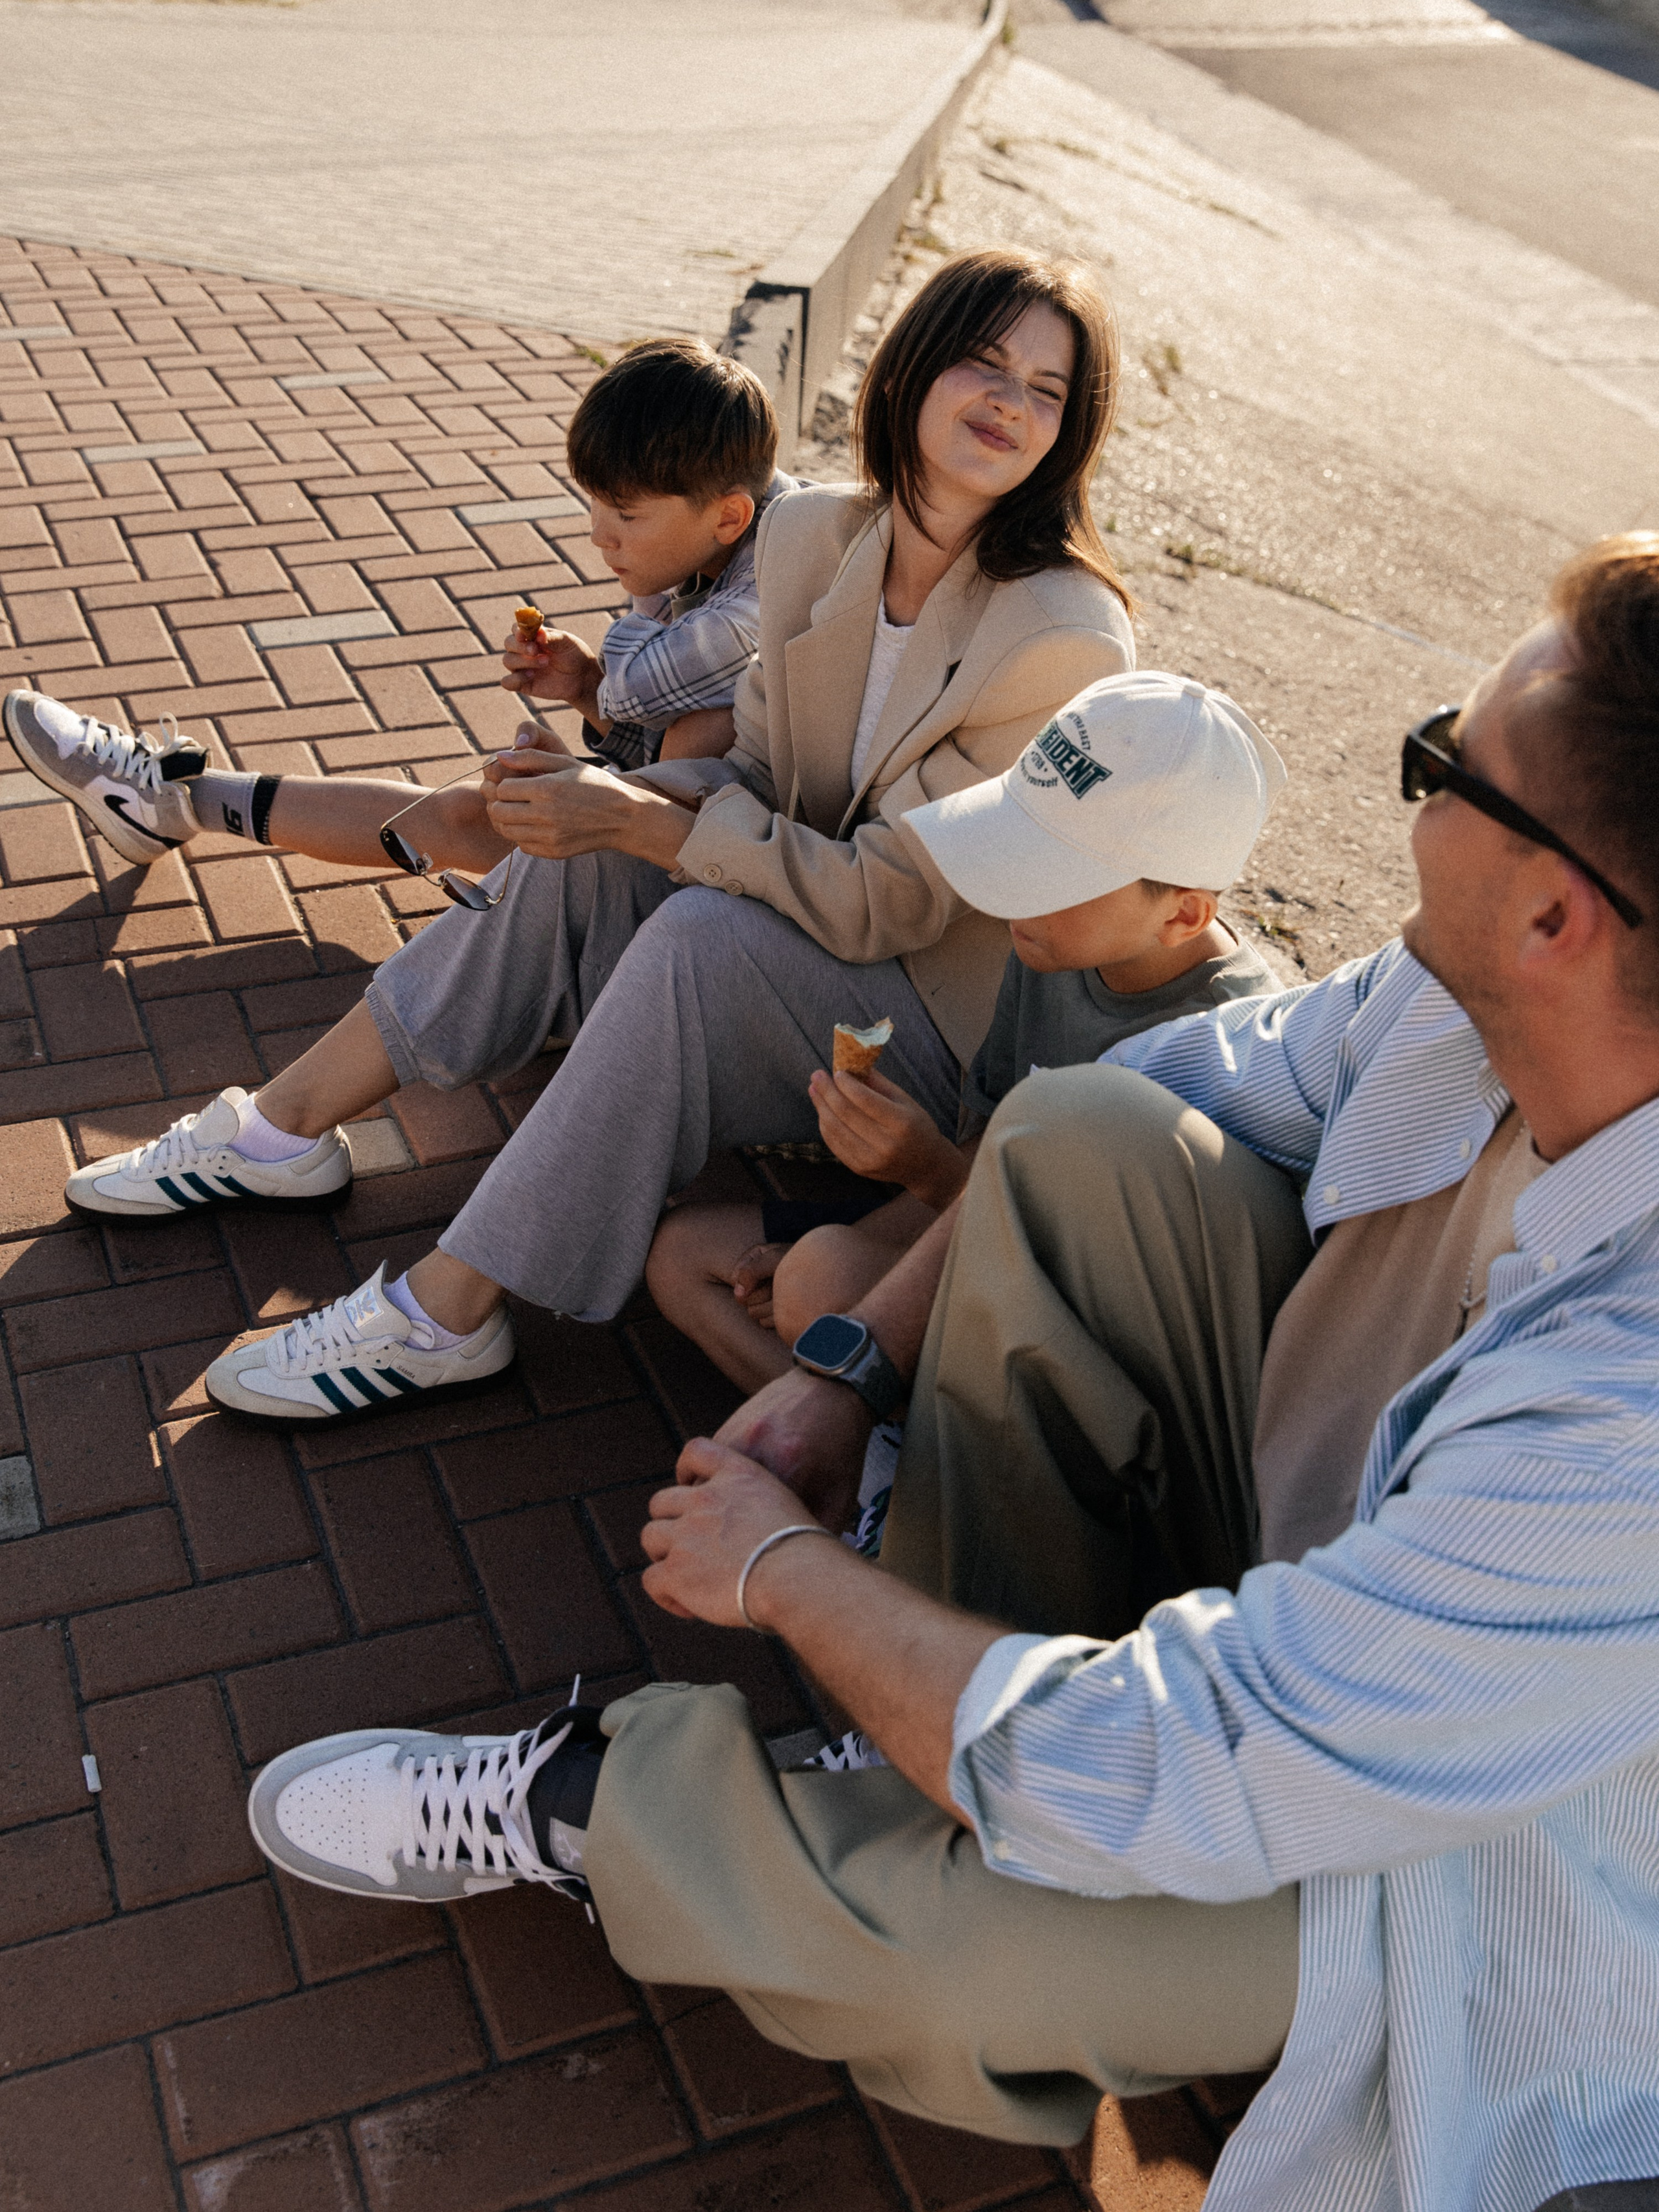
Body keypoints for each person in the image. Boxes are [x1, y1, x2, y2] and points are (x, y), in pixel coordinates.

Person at [249, 533, 1659, 2212]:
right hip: (1340, 1602)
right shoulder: (1456, 995)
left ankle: (602, 1801)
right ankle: (938, 1720)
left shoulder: (1628, 1419)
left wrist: (783, 1573)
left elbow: (1199, 1759)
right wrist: (844, 1363)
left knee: (963, 1963)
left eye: (1446, 759)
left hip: (1463, 1867)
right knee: (1091, 1129)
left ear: (1559, 909)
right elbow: (1170, 1079)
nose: (1411, 783)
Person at [52, 248, 1136, 1426]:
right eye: (986, 361)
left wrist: (649, 819)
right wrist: (593, 796)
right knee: (594, 846)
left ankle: (443, 1313)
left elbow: (897, 901)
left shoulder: (1062, 636)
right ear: (915, 367)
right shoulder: (818, 536)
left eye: (1047, 388)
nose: (1010, 402)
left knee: (698, 933)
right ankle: (282, 1129)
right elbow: (766, 773)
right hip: (814, 935)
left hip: (926, 1022)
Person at [646, 669, 1284, 1395]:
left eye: (1053, 873)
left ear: (1181, 915)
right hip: (968, 1233)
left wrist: (922, 1172)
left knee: (816, 1284)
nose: (1010, 890)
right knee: (685, 1257)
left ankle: (878, 1458)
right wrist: (878, 1227)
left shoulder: (1224, 1054)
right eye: (1017, 844)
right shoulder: (1056, 942)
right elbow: (990, 1145)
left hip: (1074, 1341)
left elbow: (1081, 1295)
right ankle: (861, 1460)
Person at [3, 335, 793, 881]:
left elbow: (641, 689)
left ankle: (174, 798)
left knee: (471, 819)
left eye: (625, 515)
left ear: (728, 516)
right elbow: (627, 694)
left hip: (723, 875)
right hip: (691, 838)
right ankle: (176, 796)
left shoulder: (772, 583)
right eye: (594, 505)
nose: (599, 535)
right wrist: (584, 684)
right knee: (461, 817)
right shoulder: (716, 531)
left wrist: (604, 696)